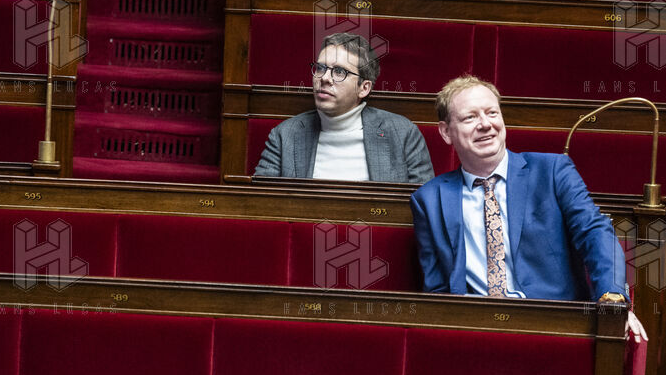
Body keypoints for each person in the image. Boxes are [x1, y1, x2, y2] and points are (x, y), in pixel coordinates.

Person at [411, 75, 645, 339]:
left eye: (492, 113)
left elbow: (594, 231)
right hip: (474, 327)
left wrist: (612, 300)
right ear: (445, 132)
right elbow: (436, 288)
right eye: (470, 117)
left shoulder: (552, 171)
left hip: (552, 323)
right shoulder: (429, 199)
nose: (485, 124)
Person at [254, 33, 434, 183]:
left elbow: (423, 204)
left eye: (339, 71)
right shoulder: (284, 135)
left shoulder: (403, 134)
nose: (325, 78)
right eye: (320, 68)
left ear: (364, 88)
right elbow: (262, 202)